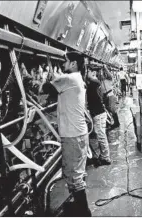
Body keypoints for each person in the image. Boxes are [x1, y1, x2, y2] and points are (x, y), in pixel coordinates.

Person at [42, 51, 91, 216]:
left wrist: (29, 78)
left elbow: (44, 88)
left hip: (73, 136)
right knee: (73, 173)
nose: (63, 64)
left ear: (74, 64)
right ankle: (78, 206)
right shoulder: (76, 79)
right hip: (77, 133)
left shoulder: (69, 79)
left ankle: (84, 212)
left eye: (65, 61)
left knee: (74, 176)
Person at [86, 67, 112, 166]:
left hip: (99, 113)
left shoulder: (93, 84)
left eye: (87, 71)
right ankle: (103, 156)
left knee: (101, 135)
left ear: (93, 73)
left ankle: (106, 158)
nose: (86, 73)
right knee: (101, 134)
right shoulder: (96, 83)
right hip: (99, 112)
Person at [98, 64, 120, 130]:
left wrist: (105, 68)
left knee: (113, 110)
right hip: (105, 97)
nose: (103, 74)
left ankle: (116, 123)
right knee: (108, 111)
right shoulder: (101, 81)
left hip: (110, 96)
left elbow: (108, 73)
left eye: (104, 73)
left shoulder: (110, 78)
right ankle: (110, 123)